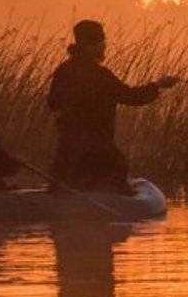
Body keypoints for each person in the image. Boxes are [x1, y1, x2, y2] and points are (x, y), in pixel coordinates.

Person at [48, 19, 178, 192]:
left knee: (64, 182)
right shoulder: (100, 75)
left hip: (66, 154)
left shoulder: (63, 71)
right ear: (90, 45)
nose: (104, 46)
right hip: (98, 153)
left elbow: (52, 103)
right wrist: (158, 85)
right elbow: (132, 97)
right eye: (101, 42)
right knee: (117, 172)